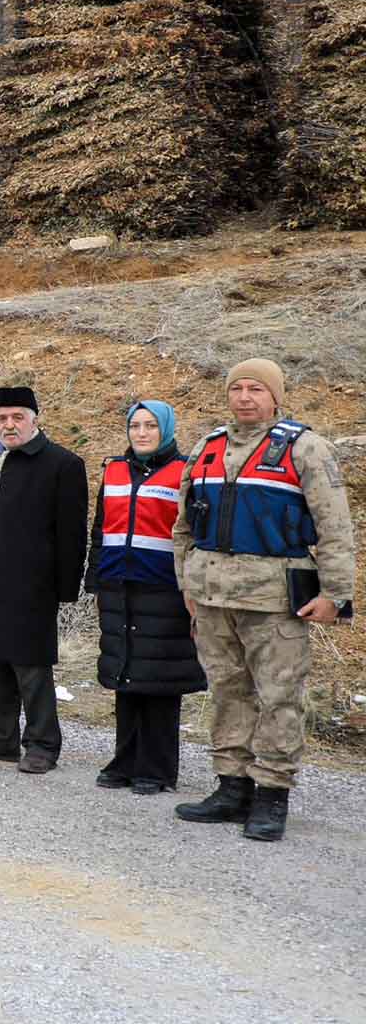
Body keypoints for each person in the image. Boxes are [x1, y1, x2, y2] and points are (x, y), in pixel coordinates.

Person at [172, 359, 355, 842]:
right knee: (228, 693)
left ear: (275, 397)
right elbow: (184, 526)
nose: (245, 397)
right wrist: (187, 586)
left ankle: (271, 794)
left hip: (275, 600)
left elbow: (336, 528)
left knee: (278, 698)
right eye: (238, 389)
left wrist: (335, 594)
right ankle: (231, 786)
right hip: (211, 597)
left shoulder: (307, 449)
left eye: (256, 389)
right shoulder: (207, 448)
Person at [0, 386, 88, 774]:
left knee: (30, 667)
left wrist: (64, 588)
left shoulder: (62, 463)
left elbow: (71, 533)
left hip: (30, 585)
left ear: (34, 419)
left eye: (17, 417)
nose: (9, 425)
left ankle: (43, 745)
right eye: (1, 419)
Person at [86, 400, 204, 795]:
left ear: (166, 429)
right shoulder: (115, 470)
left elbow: (193, 532)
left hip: (164, 589)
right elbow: (100, 529)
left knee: (161, 679)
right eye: (135, 425)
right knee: (126, 676)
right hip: (119, 586)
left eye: (150, 426)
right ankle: (125, 760)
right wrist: (95, 579)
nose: (141, 433)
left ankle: (156, 769)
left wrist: (192, 587)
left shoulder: (184, 472)